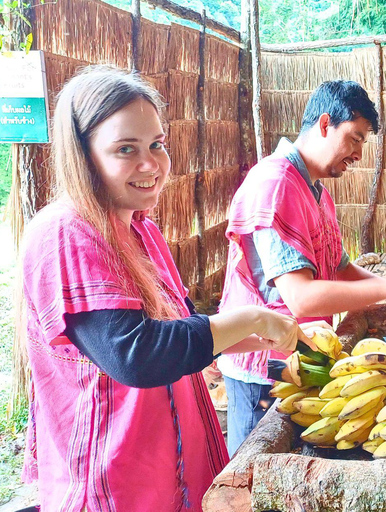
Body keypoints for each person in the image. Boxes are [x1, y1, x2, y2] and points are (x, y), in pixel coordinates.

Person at [19, 66, 313, 511]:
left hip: (170, 470)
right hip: (117, 481)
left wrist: (235, 340)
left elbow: (175, 330)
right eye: (125, 149)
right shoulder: (66, 233)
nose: (150, 164)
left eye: (157, 144)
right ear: (83, 155)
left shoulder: (142, 231)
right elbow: (136, 355)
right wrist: (251, 317)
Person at [218, 79, 386, 455]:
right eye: (354, 138)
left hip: (303, 355)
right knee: (254, 483)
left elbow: (340, 268)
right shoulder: (276, 184)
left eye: (362, 144)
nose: (357, 154)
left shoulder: (316, 191)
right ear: (324, 124)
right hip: (265, 368)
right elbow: (301, 298)